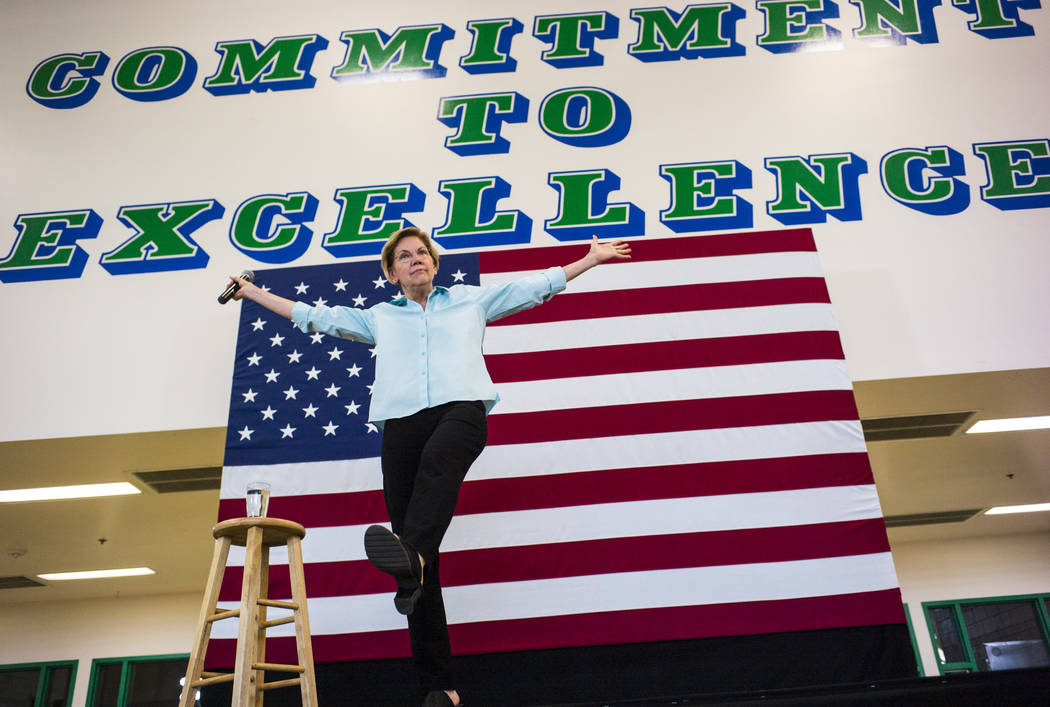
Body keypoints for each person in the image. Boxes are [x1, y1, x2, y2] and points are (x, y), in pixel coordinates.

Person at [227, 227, 631, 707]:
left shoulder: (469, 302)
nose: (416, 260)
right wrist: (251, 291)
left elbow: (532, 288)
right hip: (400, 427)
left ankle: (412, 556)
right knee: (417, 568)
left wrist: (590, 259)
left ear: (434, 265)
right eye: (405, 256)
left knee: (433, 484)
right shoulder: (379, 317)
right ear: (392, 272)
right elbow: (317, 317)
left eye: (423, 253)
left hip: (460, 411)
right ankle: (440, 687)